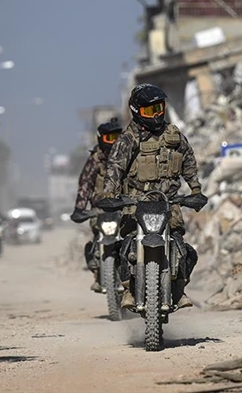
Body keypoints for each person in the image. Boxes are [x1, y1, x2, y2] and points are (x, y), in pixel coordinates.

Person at [98, 84, 207, 310]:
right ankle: (128, 288)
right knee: (123, 248)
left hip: (168, 204)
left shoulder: (174, 135)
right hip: (136, 205)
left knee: (186, 251)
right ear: (137, 111)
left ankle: (178, 291)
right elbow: (115, 168)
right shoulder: (128, 139)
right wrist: (110, 194)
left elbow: (188, 162)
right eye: (150, 111)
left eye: (159, 108)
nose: (156, 115)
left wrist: (196, 191)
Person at [69, 118, 123, 291]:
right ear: (101, 139)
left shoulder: (127, 156)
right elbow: (85, 184)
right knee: (93, 243)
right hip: (100, 210)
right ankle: (97, 271)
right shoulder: (95, 159)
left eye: (116, 138)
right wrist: (79, 208)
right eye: (109, 139)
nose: (113, 143)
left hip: (124, 208)